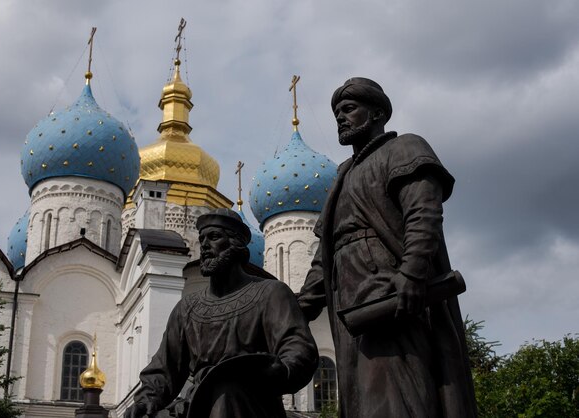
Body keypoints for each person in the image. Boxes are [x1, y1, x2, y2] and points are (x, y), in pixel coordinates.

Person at [297, 78, 477, 417]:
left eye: (349, 109)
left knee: (398, 395)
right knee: (363, 399)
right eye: (336, 111)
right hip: (350, 309)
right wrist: (301, 306)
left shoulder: (404, 148)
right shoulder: (341, 177)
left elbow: (423, 213)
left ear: (377, 112)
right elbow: (326, 258)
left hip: (393, 300)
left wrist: (411, 272)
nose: (340, 117)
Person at [125, 208, 318, 418]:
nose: (205, 245)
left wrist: (280, 371)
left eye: (214, 237)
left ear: (236, 244)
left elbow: (297, 347)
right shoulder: (187, 308)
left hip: (252, 399)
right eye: (202, 239)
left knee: (226, 389)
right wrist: (146, 400)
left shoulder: (271, 293)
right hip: (198, 401)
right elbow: (164, 368)